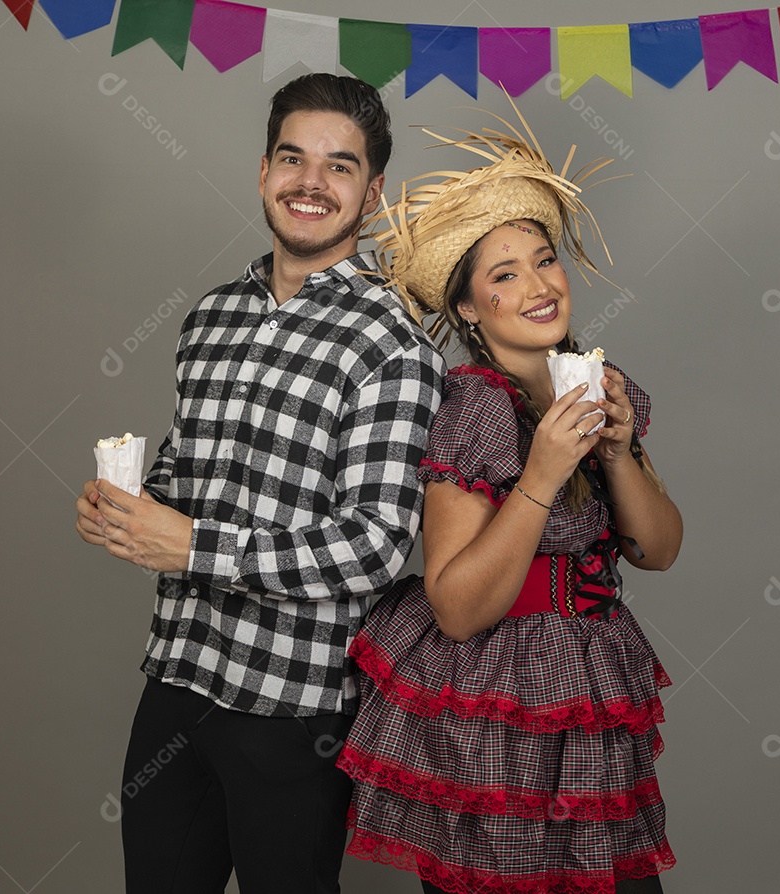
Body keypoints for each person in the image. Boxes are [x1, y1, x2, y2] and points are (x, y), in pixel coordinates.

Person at [74, 73, 445, 894]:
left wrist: (193, 546)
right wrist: (129, 509)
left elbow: (377, 545)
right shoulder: (210, 317)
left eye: (340, 165)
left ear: (372, 193)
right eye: (293, 157)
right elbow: (185, 473)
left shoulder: (394, 345)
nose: (311, 182)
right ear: (263, 171)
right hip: (178, 677)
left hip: (294, 707)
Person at [336, 106, 684, 894]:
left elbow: (657, 551)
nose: (538, 286)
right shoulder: (475, 409)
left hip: (587, 690)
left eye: (545, 260)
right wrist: (544, 472)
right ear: (467, 308)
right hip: (495, 700)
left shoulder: (599, 386)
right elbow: (457, 608)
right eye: (504, 275)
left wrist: (618, 451)